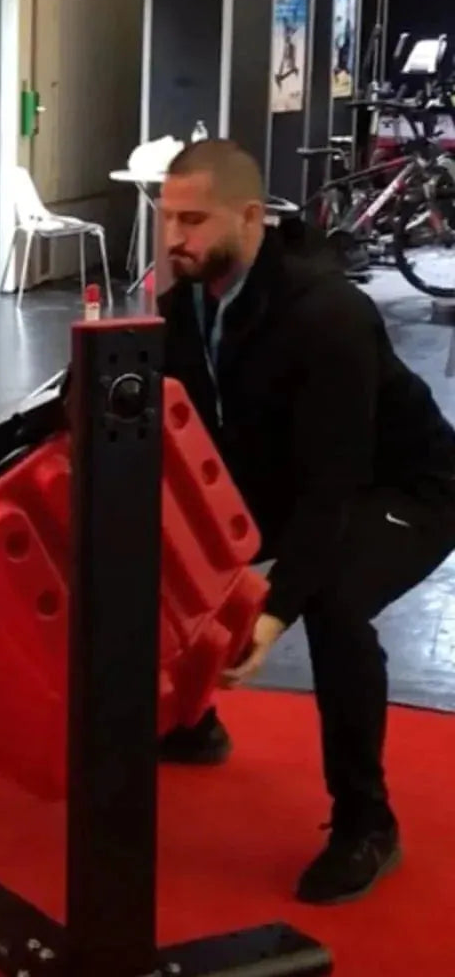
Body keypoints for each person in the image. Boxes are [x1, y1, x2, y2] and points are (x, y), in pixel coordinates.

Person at [154, 138, 455, 905]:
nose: (174, 238)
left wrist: (275, 607)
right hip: (289, 479)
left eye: (193, 220)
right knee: (148, 531)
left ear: (251, 217)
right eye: (167, 218)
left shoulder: (328, 315)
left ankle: (367, 823)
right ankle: (190, 721)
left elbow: (336, 484)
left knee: (332, 600)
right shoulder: (188, 299)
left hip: (407, 488)